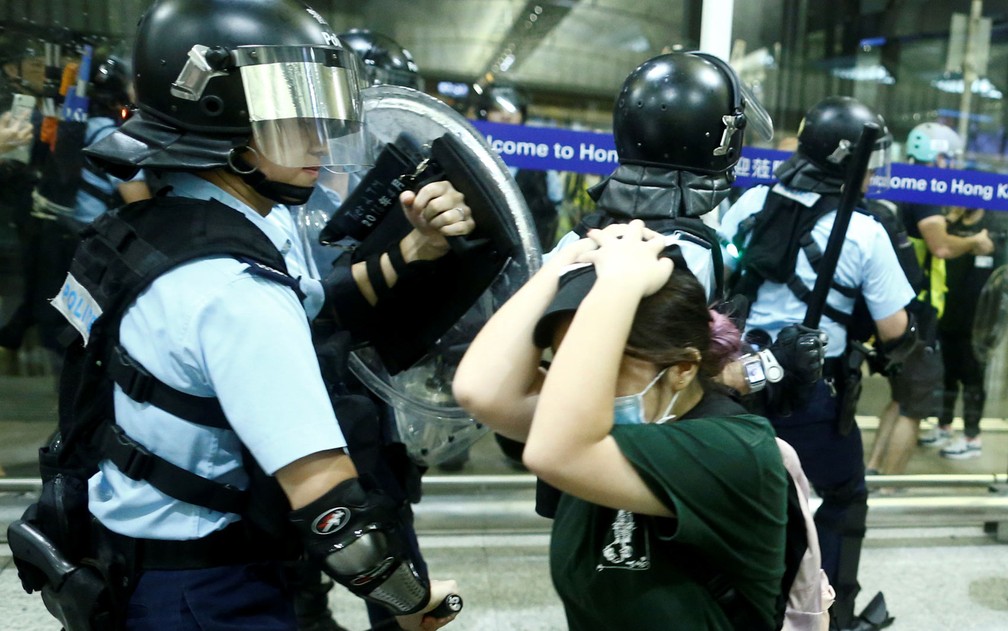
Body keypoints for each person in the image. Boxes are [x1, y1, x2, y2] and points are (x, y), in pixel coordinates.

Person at [54, 1, 464, 629]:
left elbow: (317, 303)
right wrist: (407, 602)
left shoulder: (151, 229)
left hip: (127, 566)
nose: (320, 141)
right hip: (210, 591)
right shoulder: (236, 289)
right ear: (220, 118)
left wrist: (414, 249)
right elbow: (329, 505)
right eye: (292, 118)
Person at [453, 220, 790, 630]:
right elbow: (481, 391)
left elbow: (555, 452)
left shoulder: (735, 451)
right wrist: (561, 266)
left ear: (682, 368)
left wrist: (620, 286)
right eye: (564, 358)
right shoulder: (590, 428)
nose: (576, 381)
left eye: (602, 363)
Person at [719, 96, 912, 631]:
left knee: (744, 498)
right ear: (852, 162)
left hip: (737, 387)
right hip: (812, 400)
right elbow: (896, 328)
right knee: (840, 499)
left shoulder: (752, 202)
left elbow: (721, 281)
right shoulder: (866, 231)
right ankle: (827, 612)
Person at [285, 28, 445, 631]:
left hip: (373, 390)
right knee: (300, 557)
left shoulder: (405, 185)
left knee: (391, 542)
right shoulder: (286, 184)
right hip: (302, 389)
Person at [0, 53, 149, 357]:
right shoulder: (112, 136)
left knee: (60, 319)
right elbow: (140, 201)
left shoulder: (78, 124)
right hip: (92, 243)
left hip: (62, 236)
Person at [865, 122, 993, 474]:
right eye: (949, 159)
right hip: (916, 312)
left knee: (901, 396)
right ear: (937, 158)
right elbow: (940, 246)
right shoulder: (925, 192)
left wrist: (949, 219)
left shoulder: (898, 183)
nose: (951, 167)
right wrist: (974, 241)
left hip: (894, 307)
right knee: (915, 407)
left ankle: (874, 470)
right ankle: (889, 485)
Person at [935, 206, 1006, 459]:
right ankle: (944, 425)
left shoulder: (995, 222)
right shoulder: (951, 222)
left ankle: (972, 437)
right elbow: (939, 244)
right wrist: (952, 221)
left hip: (978, 318)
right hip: (947, 312)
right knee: (947, 375)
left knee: (973, 377)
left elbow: (994, 255)